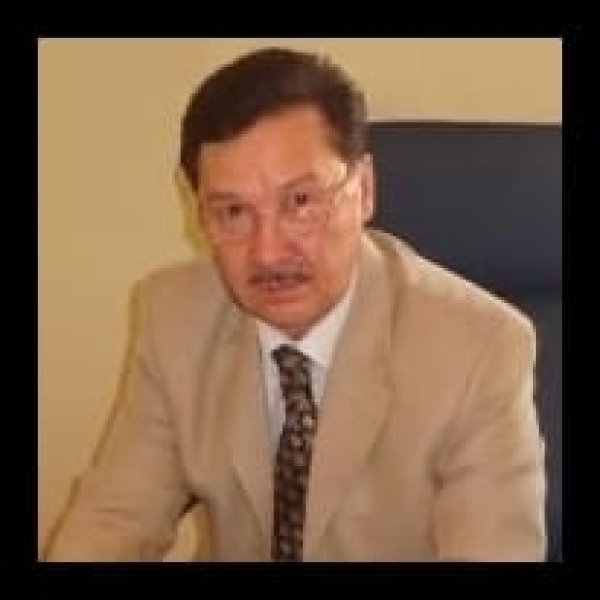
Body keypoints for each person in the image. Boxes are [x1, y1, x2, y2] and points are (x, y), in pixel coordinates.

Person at [44, 46, 546, 561]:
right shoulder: (172, 316)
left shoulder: (479, 349)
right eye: (233, 212)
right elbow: (115, 519)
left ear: (364, 189)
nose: (267, 253)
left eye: (300, 203)